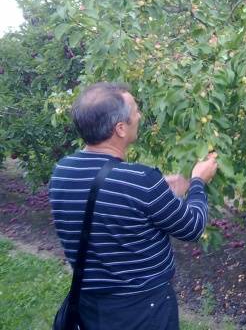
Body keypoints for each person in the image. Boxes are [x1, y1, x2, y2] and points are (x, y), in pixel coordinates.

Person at [48, 82, 217, 330]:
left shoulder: (62, 172)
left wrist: (157, 192)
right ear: (120, 129)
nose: (139, 116)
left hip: (91, 305)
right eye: (135, 111)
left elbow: (111, 203)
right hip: (143, 310)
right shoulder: (140, 181)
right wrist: (199, 181)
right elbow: (192, 227)